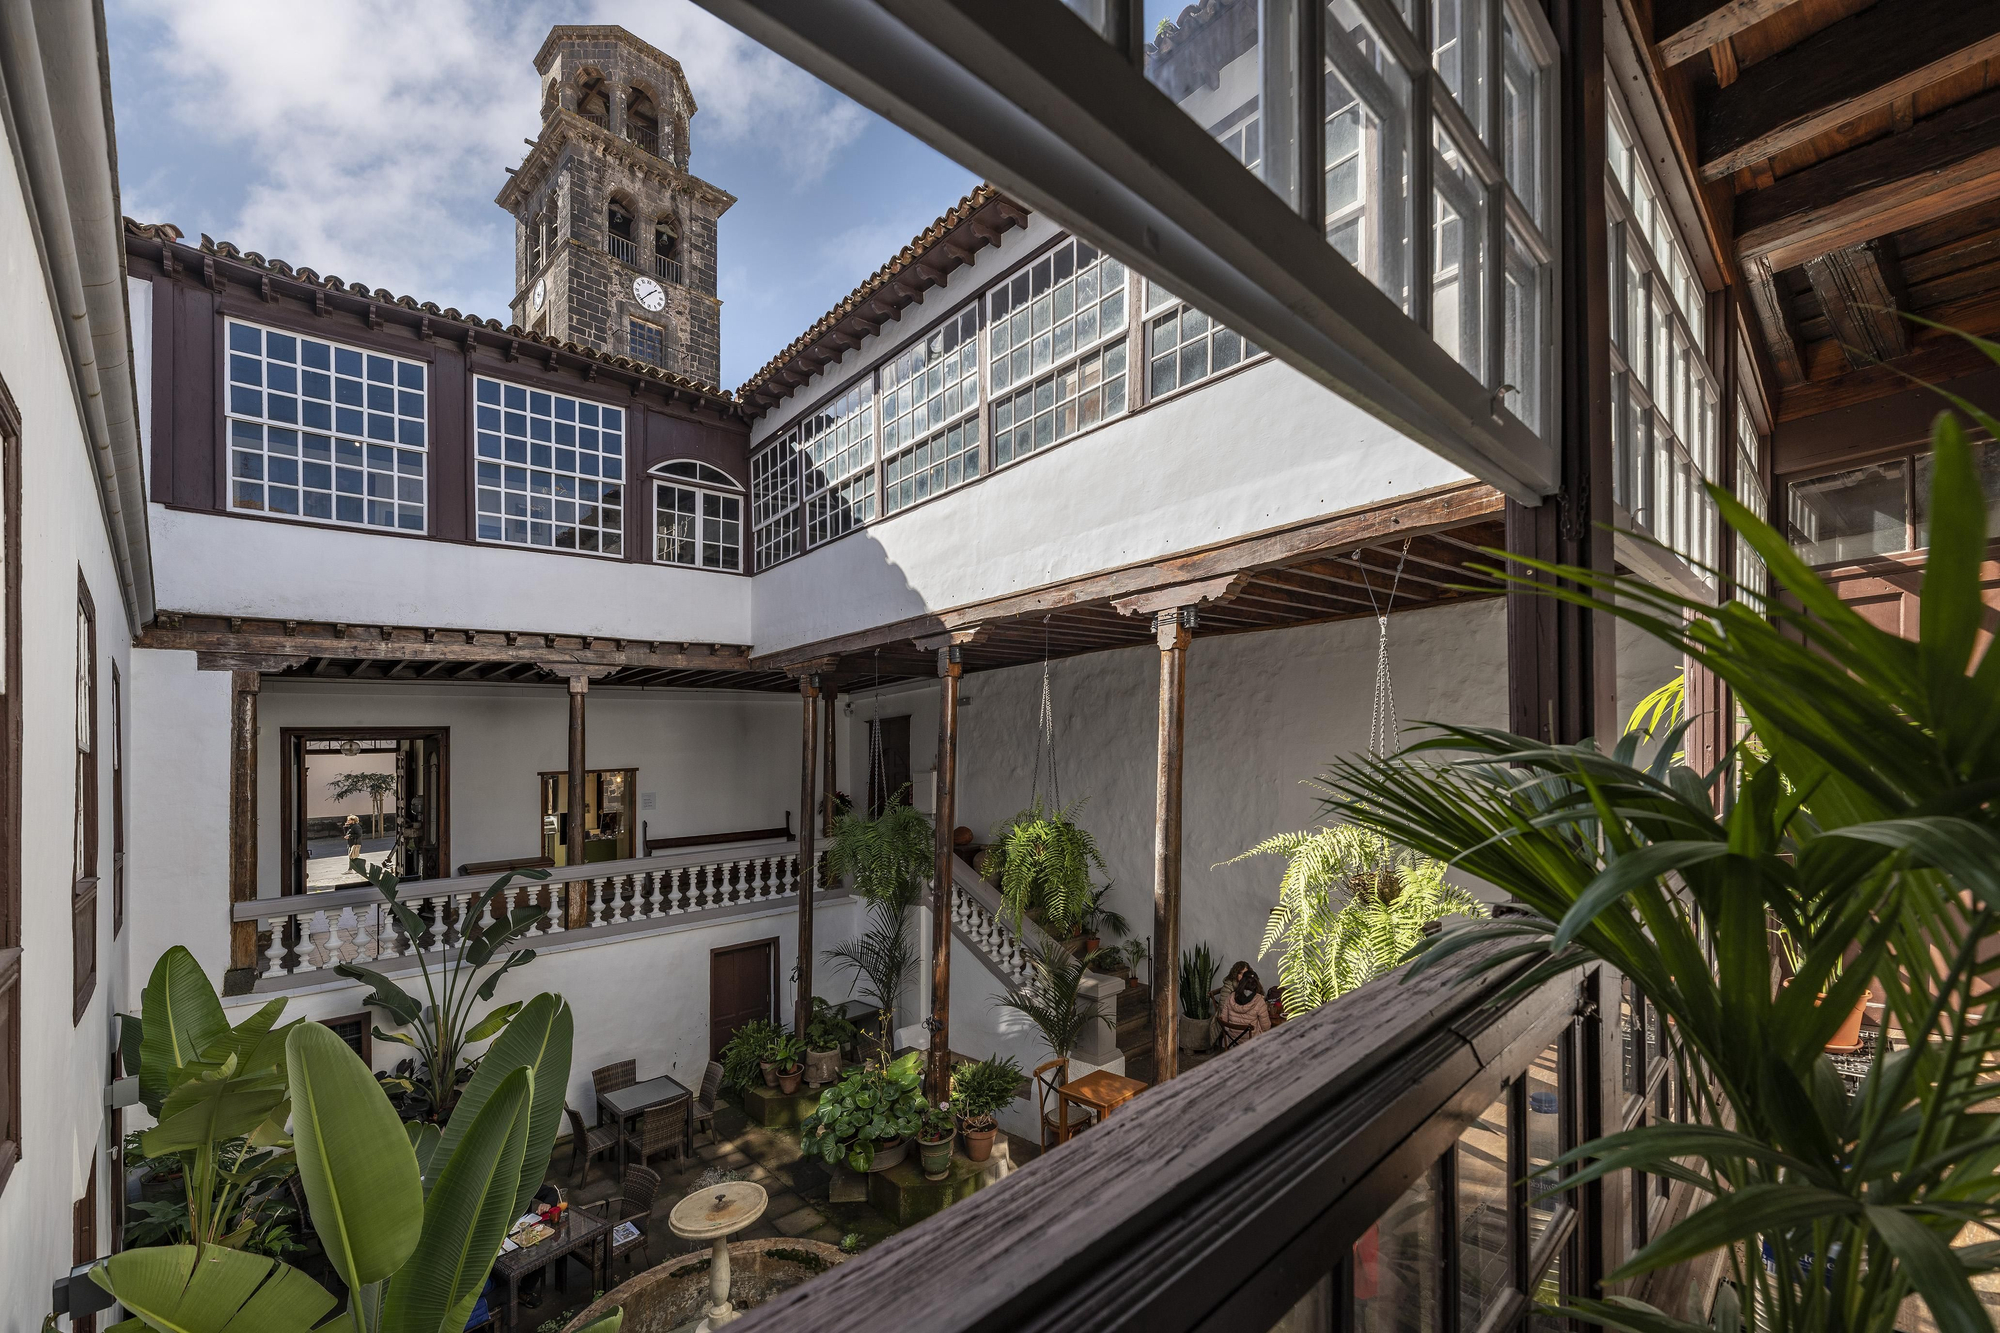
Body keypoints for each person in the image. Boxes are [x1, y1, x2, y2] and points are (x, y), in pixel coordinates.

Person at [1218, 967, 1271, 1040]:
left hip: (1233, 1039)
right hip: (1251, 1041)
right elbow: (1266, 1027)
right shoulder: (1259, 1001)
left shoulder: (1231, 997)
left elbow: (1223, 1019)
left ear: (1241, 982)